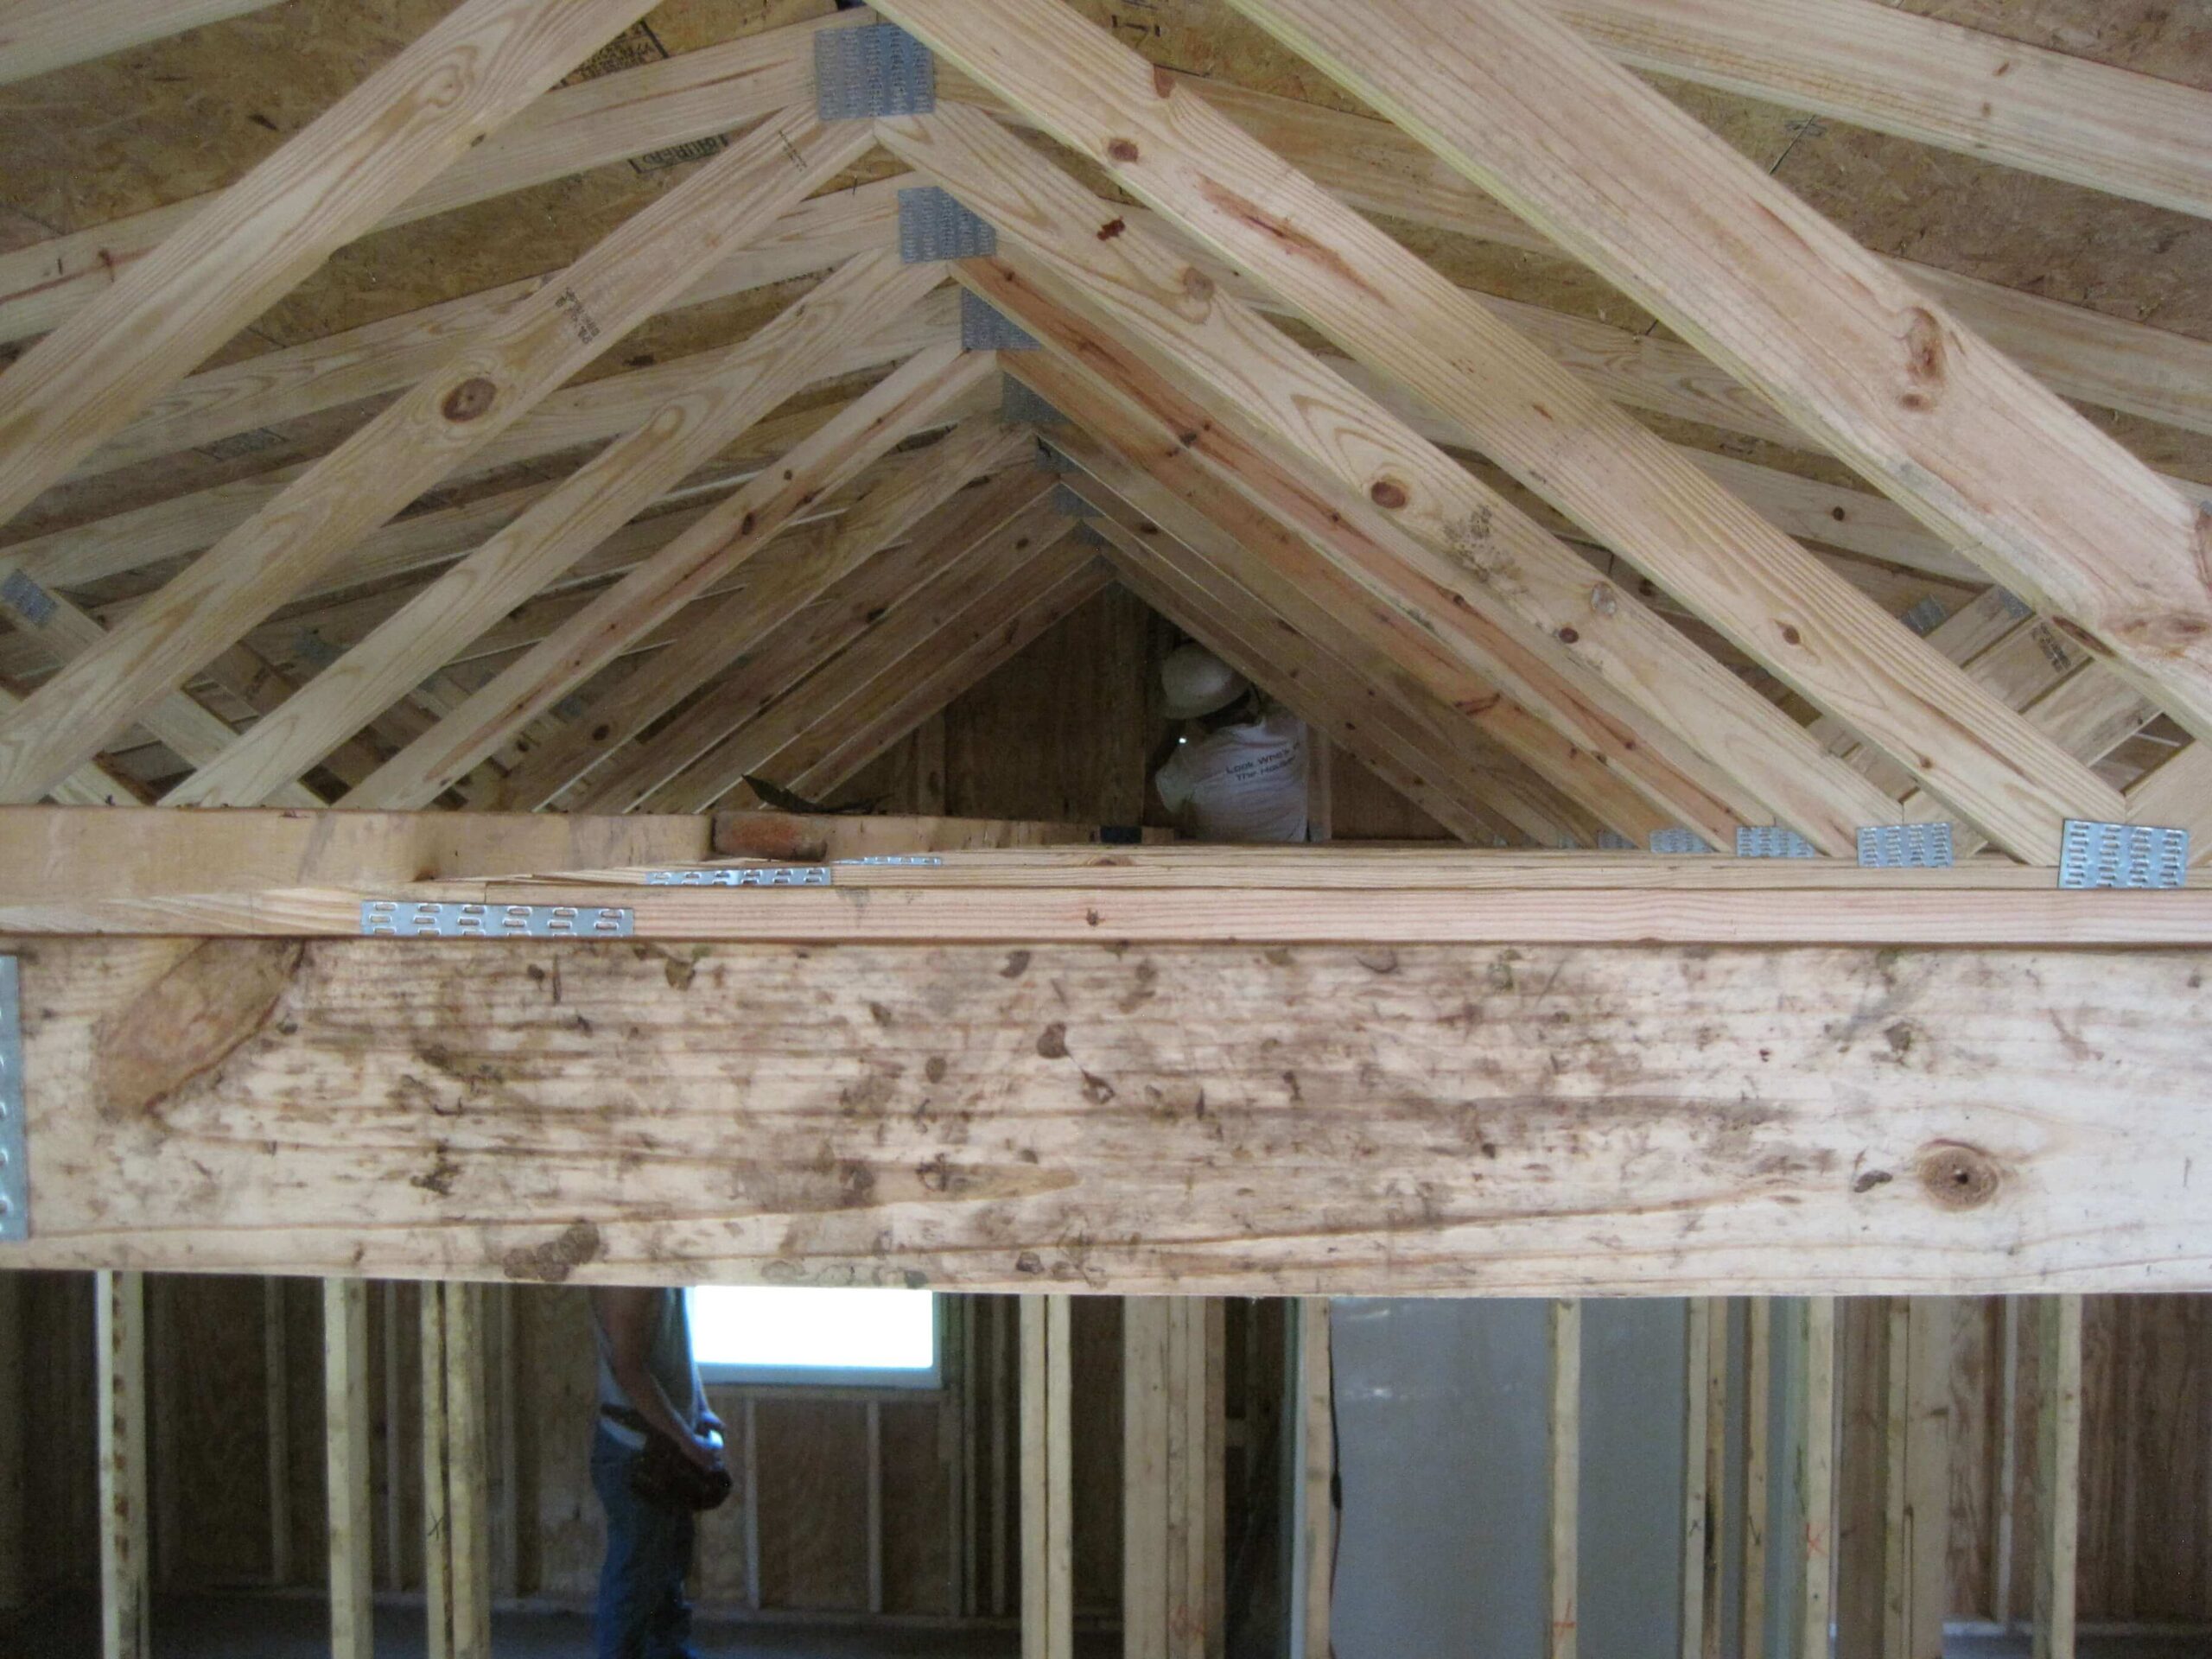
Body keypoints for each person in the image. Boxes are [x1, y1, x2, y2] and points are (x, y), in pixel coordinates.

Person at [589, 1286, 725, 1659]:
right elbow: (628, 1369)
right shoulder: (627, 1280)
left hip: (659, 1444)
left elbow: (676, 1345)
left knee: (666, 1574)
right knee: (636, 1582)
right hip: (637, 1450)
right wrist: (685, 1439)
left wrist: (699, 1409)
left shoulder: (661, 1270)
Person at [1151, 644, 1311, 842]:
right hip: (1292, 859)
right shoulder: (1289, 724)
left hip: (1227, 864)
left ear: (1197, 717)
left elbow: (1162, 800)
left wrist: (1177, 732)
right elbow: (1280, 683)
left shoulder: (1193, 760)